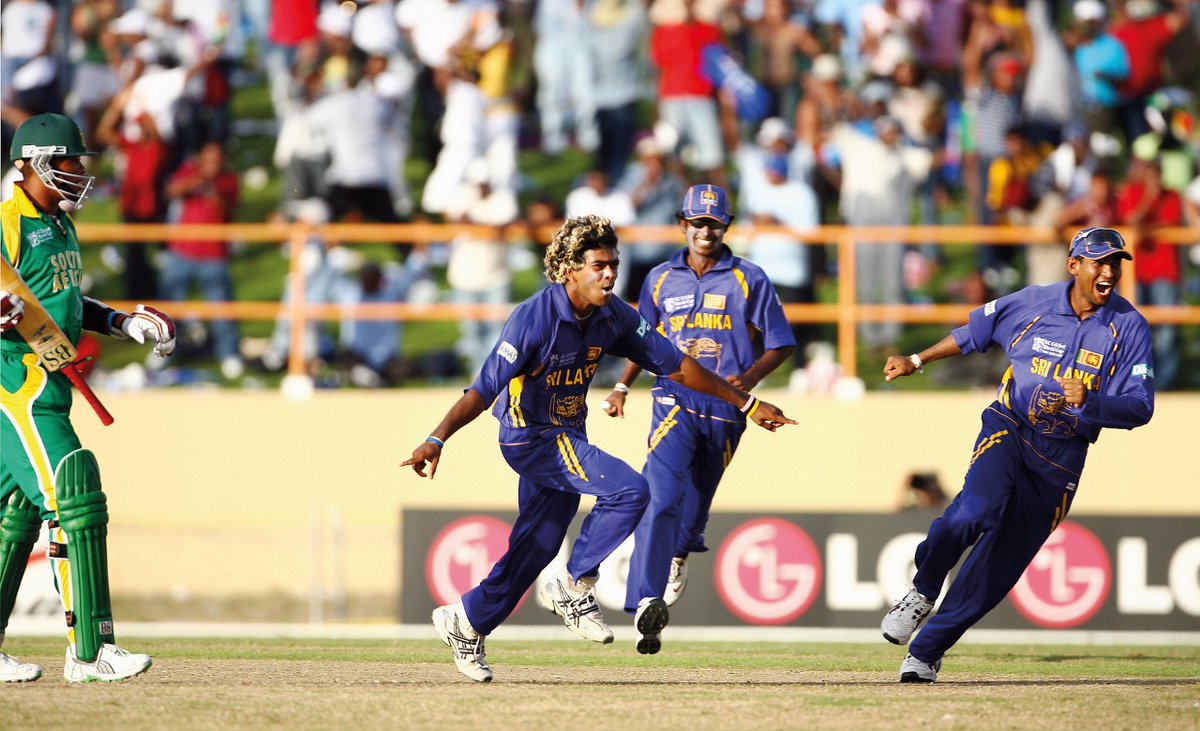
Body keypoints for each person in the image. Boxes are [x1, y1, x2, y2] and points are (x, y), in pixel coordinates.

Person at [402, 214, 795, 683]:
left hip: (568, 436)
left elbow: (678, 365)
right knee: (631, 490)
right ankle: (575, 584)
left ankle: (465, 621)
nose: (610, 275)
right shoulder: (533, 318)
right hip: (531, 439)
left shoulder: (615, 315)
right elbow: (483, 388)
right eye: (599, 266)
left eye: (614, 264)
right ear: (570, 269)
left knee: (537, 544)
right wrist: (436, 437)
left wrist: (745, 402)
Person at [878, 226, 1154, 683]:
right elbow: (975, 333)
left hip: (1061, 458)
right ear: (1075, 266)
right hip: (1011, 426)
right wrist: (917, 360)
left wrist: (1092, 402)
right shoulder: (1034, 302)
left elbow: (1140, 407)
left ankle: (925, 652)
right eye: (1099, 262)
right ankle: (923, 589)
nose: (1109, 271)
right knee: (972, 511)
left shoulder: (1128, 327)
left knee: (998, 567)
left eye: (1115, 263)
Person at [0, 113, 177, 683]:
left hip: (47, 380)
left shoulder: (59, 225)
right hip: (17, 386)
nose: (78, 172)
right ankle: (90, 651)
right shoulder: (7, 219)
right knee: (74, 495)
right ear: (31, 164)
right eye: (67, 162)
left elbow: (63, 300)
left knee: (17, 516)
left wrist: (123, 323)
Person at [599, 184, 796, 648]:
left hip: (727, 408)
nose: (706, 231)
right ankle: (646, 599)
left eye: (715, 223)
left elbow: (782, 341)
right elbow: (638, 337)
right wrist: (624, 385)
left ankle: (679, 555)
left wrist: (745, 383)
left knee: (693, 510)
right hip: (672, 399)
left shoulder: (750, 277)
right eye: (697, 222)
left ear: (726, 226)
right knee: (660, 496)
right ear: (683, 224)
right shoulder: (660, 278)